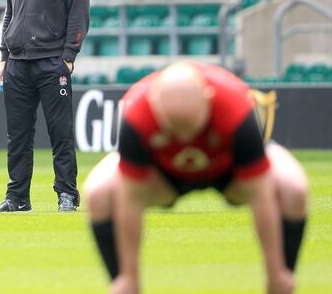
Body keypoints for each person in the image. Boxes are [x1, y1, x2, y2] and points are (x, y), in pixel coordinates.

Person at [83, 61, 309, 294]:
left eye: (191, 126)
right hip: (162, 174)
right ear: (154, 103)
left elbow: (262, 194)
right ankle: (121, 282)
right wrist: (130, 277)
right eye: (174, 128)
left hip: (229, 170)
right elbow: (129, 198)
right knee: (98, 192)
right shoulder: (136, 115)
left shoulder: (237, 108)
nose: (184, 137)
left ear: (208, 98)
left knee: (293, 187)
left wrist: (275, 273)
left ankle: (283, 278)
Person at [0, 0, 90, 213]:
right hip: (18, 63)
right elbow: (10, 12)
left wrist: (68, 56)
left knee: (60, 132)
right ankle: (17, 197)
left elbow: (79, 15)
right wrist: (4, 56)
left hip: (51, 62)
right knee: (17, 136)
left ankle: (67, 194)